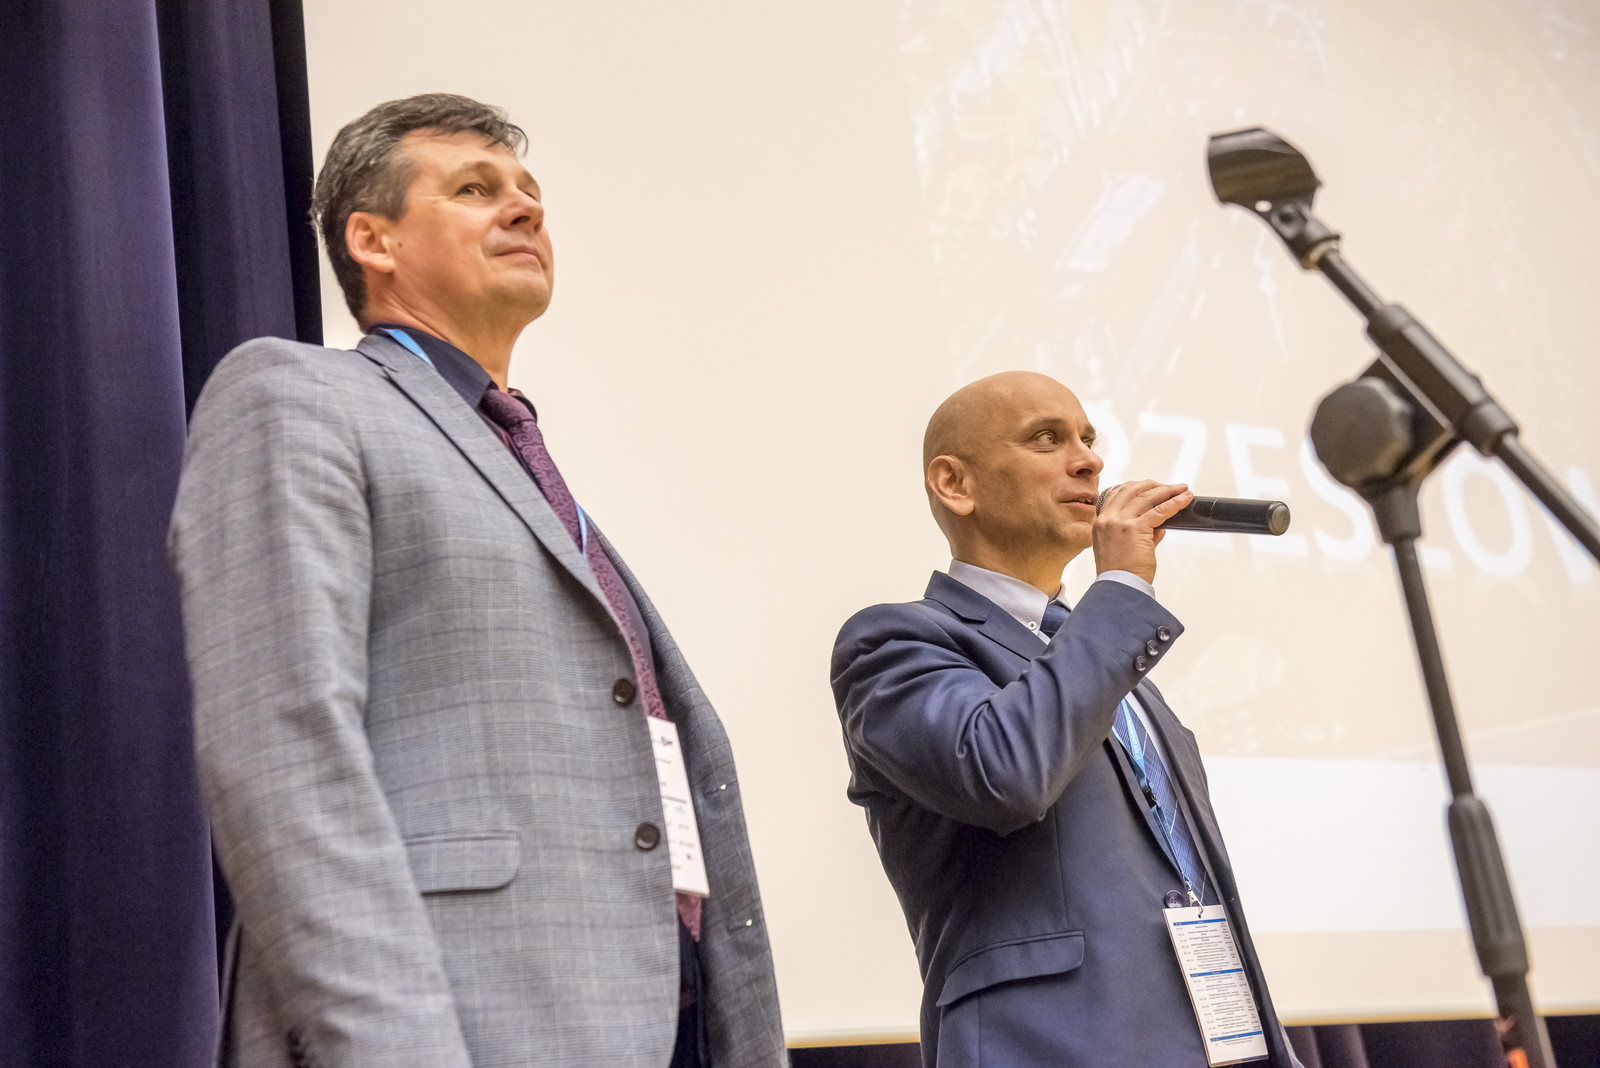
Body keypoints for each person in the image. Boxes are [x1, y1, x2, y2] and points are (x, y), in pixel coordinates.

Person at [169, 93, 784, 1068]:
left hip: (669, 1025)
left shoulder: (519, 460)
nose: (525, 207)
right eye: (474, 188)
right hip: (455, 1028)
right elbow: (284, 751)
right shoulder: (295, 395)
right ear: (371, 239)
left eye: (530, 191)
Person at [830, 371, 1301, 1067]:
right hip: (1052, 1047)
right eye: (1047, 439)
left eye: (1088, 438)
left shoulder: (1108, 660)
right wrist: (1120, 588)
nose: (1090, 461)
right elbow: (1004, 773)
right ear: (954, 483)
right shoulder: (896, 642)